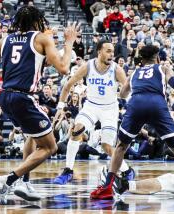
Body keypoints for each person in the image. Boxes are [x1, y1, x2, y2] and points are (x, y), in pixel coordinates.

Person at [90, 44, 174, 200]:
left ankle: (107, 187)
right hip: (156, 104)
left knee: (121, 146)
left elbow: (122, 94)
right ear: (158, 58)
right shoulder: (162, 68)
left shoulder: (134, 72)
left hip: (136, 104)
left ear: (141, 59)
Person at [0, 5, 80, 204]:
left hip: (5, 97)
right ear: (37, 21)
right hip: (23, 97)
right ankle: (8, 180)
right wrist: (68, 44)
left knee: (33, 136)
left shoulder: (5, 39)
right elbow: (63, 68)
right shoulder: (41, 38)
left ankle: (24, 181)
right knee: (50, 147)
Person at [53, 40, 134, 185]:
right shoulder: (88, 66)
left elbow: (128, 92)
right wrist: (60, 106)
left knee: (106, 146)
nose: (112, 54)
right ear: (99, 52)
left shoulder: (117, 69)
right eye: (108, 51)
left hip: (110, 109)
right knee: (76, 130)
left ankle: (127, 170)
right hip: (91, 106)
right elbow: (68, 85)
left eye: (112, 51)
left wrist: (133, 107)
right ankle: (68, 170)